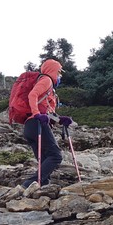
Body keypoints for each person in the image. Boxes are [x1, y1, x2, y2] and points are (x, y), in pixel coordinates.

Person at [20, 58, 73, 188]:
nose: (60, 75)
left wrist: (60, 119)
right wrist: (36, 113)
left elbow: (47, 111)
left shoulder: (48, 85)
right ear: (53, 70)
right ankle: (29, 184)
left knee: (45, 159)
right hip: (37, 124)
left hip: (30, 127)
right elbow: (32, 95)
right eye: (59, 72)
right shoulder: (46, 80)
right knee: (55, 156)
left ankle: (42, 186)